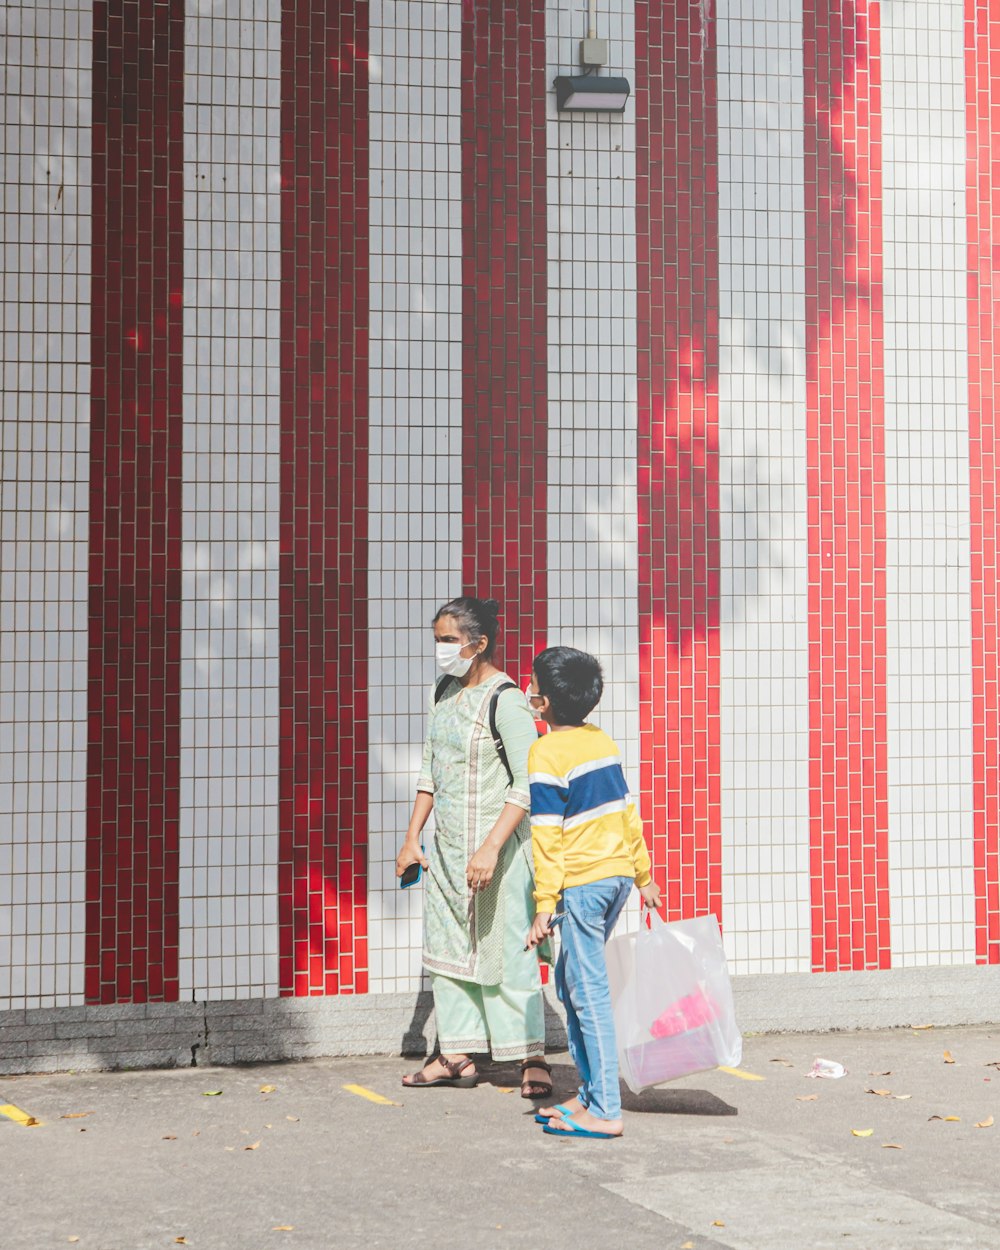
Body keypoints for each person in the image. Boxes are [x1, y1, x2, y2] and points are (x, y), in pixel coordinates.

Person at [397, 597, 554, 1098]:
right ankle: (457, 1053)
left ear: (478, 644)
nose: (441, 650)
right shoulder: (443, 691)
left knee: (505, 954)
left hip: (499, 853)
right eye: (438, 640)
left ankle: (531, 1056)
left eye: (448, 640)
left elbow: (529, 784)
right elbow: (430, 769)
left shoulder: (505, 699)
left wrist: (490, 849)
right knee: (448, 953)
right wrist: (411, 838)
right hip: (446, 851)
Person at [524, 646, 661, 1139]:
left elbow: (546, 836)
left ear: (543, 704)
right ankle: (589, 1094)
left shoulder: (544, 753)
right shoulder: (600, 742)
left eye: (532, 683)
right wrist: (643, 877)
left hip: (582, 886)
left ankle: (604, 1109)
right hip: (617, 878)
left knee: (589, 994)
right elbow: (628, 811)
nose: (528, 689)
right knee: (571, 983)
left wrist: (544, 905)